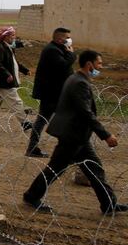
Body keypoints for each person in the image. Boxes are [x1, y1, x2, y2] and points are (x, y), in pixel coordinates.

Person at [23, 50, 127, 215]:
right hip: (72, 136)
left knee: (94, 168)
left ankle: (109, 203)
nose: (101, 67)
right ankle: (31, 196)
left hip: (78, 136)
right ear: (89, 64)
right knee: (55, 169)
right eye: (99, 63)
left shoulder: (76, 78)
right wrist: (105, 135)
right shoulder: (79, 83)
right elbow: (85, 113)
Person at [26, 27, 77, 158]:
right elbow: (62, 66)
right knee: (44, 120)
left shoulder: (58, 49)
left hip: (57, 93)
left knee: (47, 120)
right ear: (60, 39)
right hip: (51, 94)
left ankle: (35, 148)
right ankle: (34, 148)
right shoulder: (52, 50)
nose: (69, 40)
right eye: (67, 38)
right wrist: (72, 54)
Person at [0, 27, 32, 131]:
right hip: (3, 81)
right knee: (16, 101)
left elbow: (14, 62)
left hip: (1, 81)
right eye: (12, 35)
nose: (14, 37)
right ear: (6, 36)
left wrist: (25, 70)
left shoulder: (8, 47)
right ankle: (24, 122)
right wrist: (7, 74)